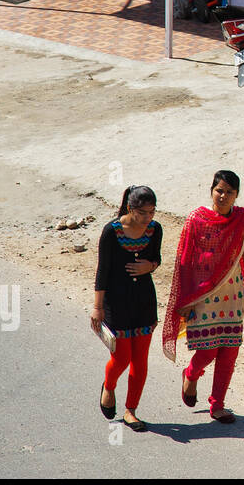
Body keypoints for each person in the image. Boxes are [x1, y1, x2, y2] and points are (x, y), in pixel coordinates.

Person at [163, 170, 244, 424]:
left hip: (233, 295)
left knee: (229, 351)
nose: (223, 196)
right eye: (219, 190)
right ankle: (191, 374)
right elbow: (185, 260)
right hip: (203, 296)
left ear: (236, 195)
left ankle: (217, 405)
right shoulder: (197, 218)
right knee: (207, 351)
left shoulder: (242, 218)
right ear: (211, 190)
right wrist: (184, 299)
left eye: (229, 192)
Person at [93, 185, 162, 432]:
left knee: (140, 359)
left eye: (152, 212)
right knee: (121, 357)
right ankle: (109, 386)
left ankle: (131, 410)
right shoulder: (111, 232)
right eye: (143, 213)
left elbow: (157, 258)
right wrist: (97, 307)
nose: (148, 218)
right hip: (116, 303)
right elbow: (103, 270)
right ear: (130, 209)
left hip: (144, 301)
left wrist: (150, 266)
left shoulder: (155, 230)